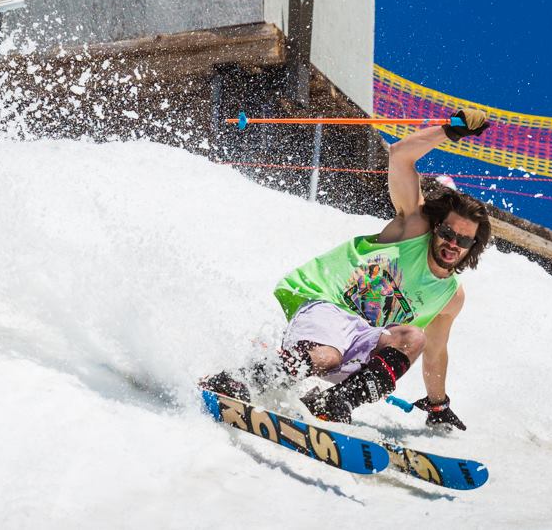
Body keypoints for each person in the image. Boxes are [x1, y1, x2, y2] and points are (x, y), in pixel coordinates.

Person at [201, 108, 493, 429]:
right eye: (448, 233)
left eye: (463, 241)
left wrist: (438, 404)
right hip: (328, 308)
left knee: (413, 337)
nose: (453, 244)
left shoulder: (451, 295)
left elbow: (436, 352)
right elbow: (400, 156)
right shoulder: (414, 227)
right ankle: (238, 379)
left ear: (472, 248)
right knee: (327, 356)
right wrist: (448, 132)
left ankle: (334, 402)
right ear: (437, 227)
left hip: (362, 340)